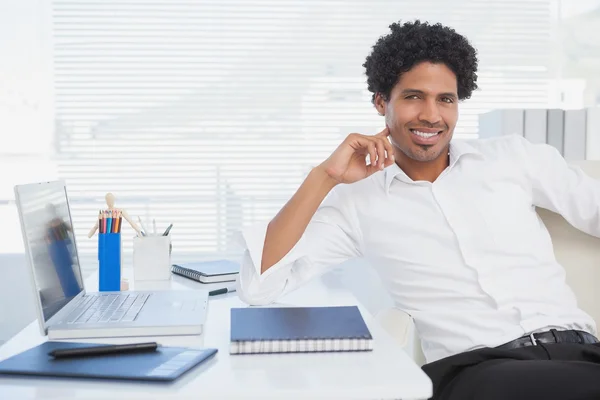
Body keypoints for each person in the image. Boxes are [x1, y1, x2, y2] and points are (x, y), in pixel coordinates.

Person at [236, 20, 600, 400]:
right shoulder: (357, 202)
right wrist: (324, 176)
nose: (431, 115)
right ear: (381, 102)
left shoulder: (513, 157)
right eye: (413, 97)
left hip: (581, 354)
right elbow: (258, 286)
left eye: (446, 99)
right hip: (479, 371)